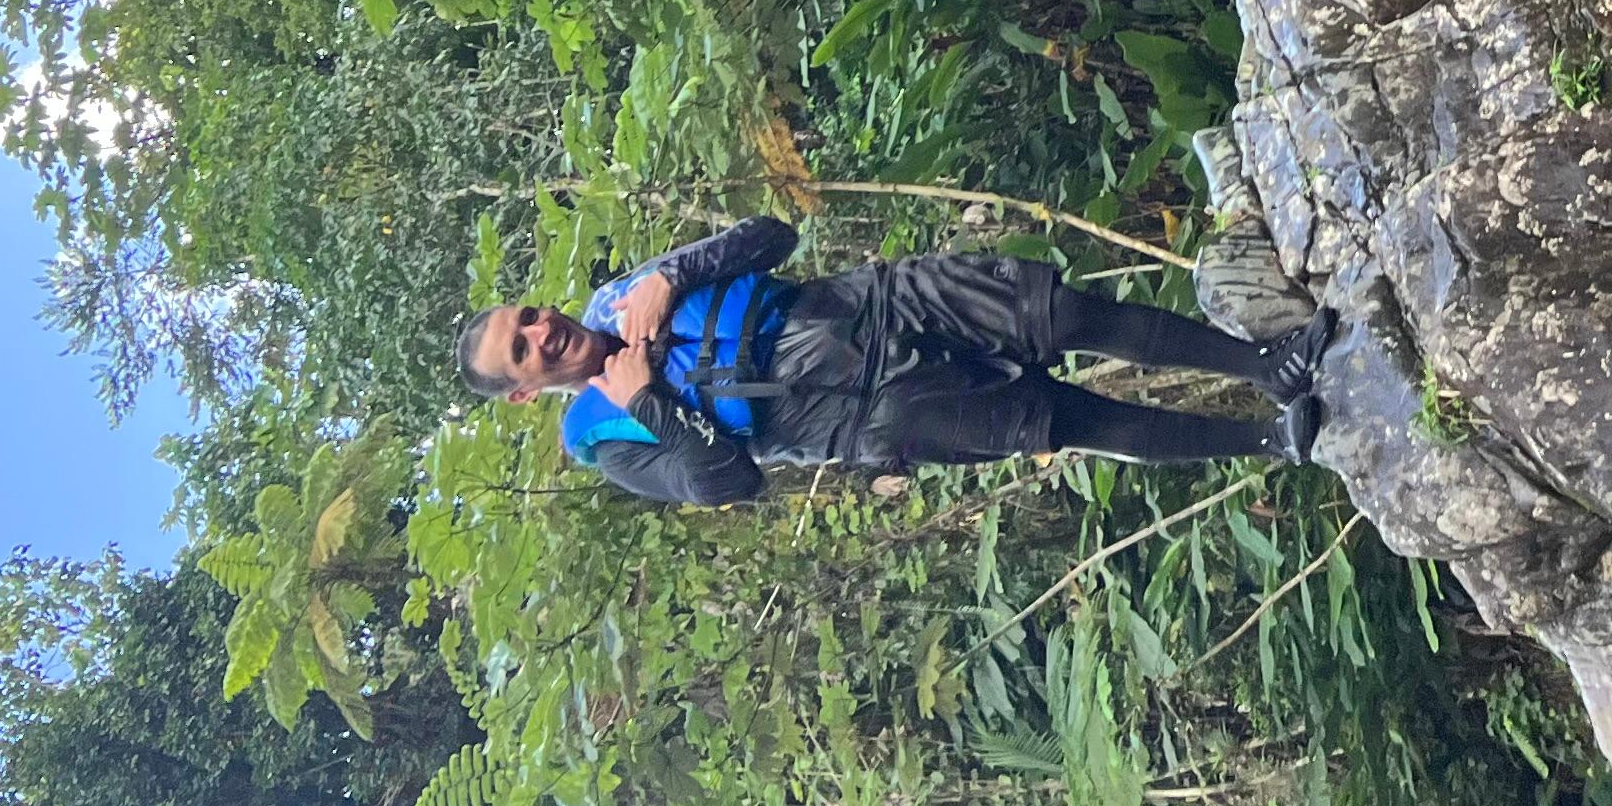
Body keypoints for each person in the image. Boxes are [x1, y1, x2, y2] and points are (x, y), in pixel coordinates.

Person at [463, 213, 1338, 499]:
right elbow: (729, 482)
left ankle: (1267, 365)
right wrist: (649, 396)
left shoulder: (631, 292)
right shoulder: (604, 439)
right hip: (869, 414)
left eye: (531, 315)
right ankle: (1270, 442)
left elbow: (774, 234)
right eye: (524, 349)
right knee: (1065, 417)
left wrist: (676, 273)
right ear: (525, 391)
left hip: (881, 302)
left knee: (1066, 312)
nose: (543, 332)